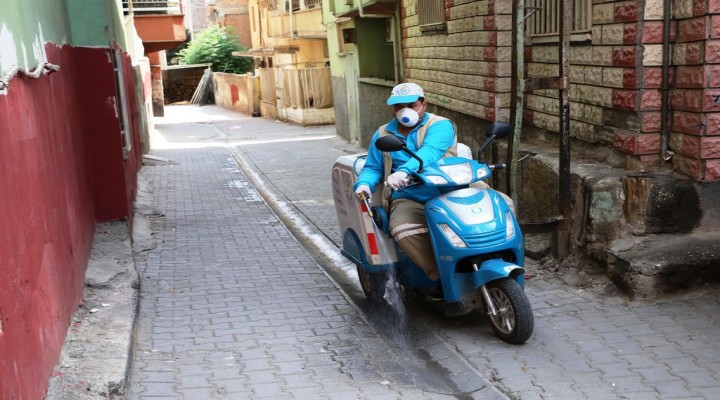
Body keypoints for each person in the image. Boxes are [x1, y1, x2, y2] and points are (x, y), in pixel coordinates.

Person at [353, 83, 456, 282]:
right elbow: (373, 167)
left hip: (447, 191)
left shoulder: (440, 125)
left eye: (411, 104)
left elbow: (431, 151)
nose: (405, 111)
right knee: (401, 229)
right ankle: (439, 277)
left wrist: (403, 171)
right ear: (393, 109)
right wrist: (363, 184)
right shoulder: (383, 134)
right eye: (399, 107)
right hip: (409, 197)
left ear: (424, 104)